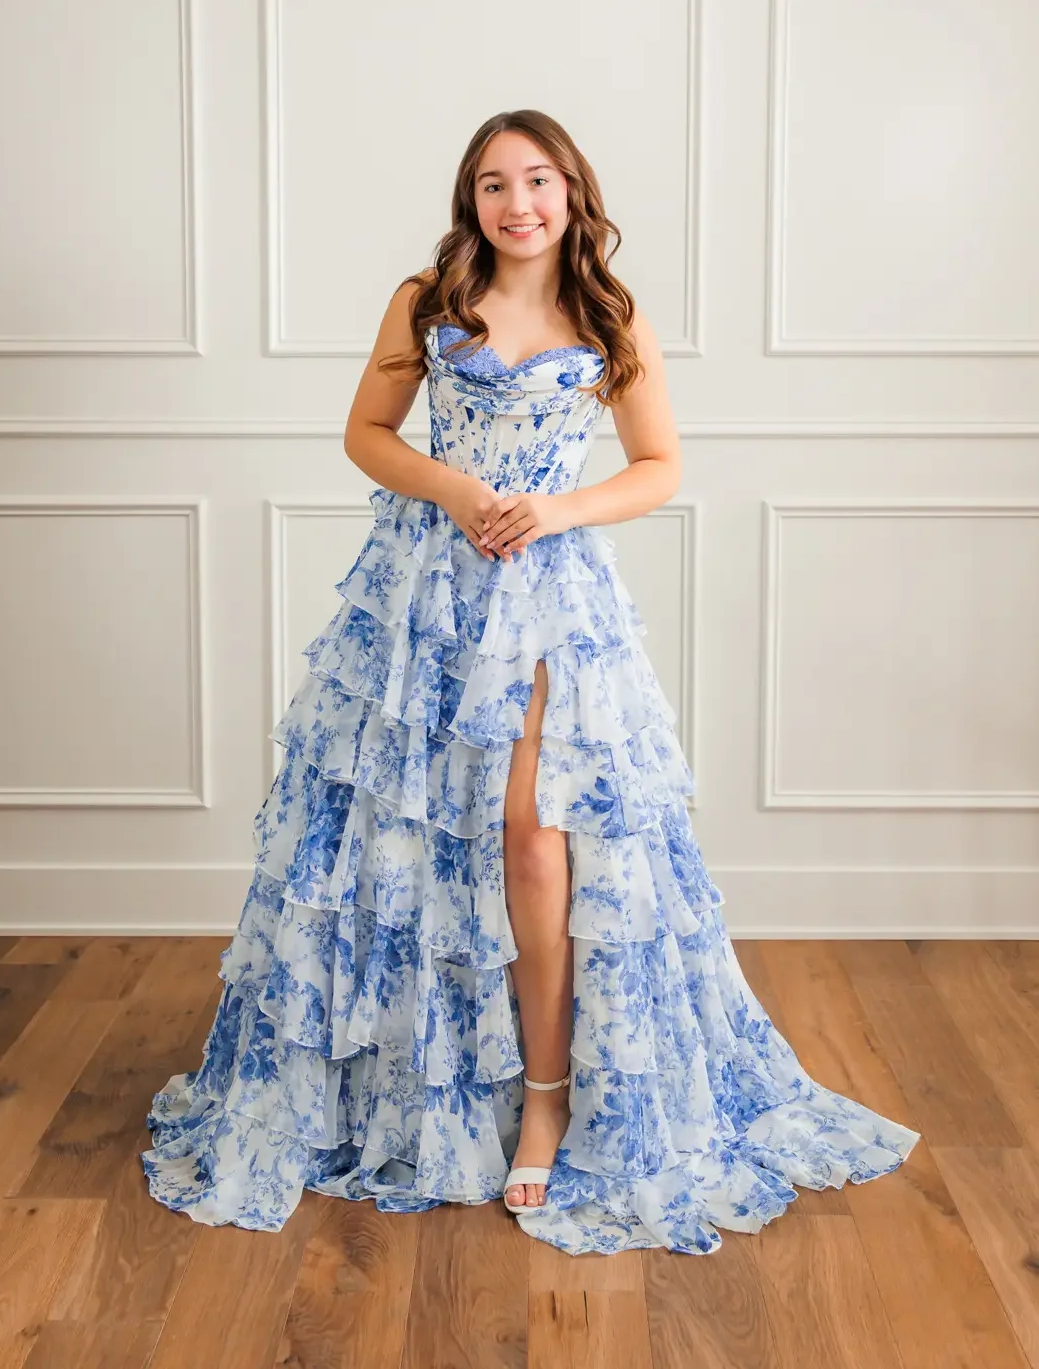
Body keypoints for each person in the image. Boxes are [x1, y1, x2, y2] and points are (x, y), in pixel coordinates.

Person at [141, 108, 921, 1254]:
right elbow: (365, 432)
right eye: (495, 183)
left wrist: (552, 507)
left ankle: (546, 1100)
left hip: (549, 596)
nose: (518, 203)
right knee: (401, 842)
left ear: (570, 191)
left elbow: (658, 466)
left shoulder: (606, 311)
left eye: (538, 180)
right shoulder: (428, 299)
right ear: (473, 200)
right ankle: (416, 1084)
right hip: (421, 592)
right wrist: (454, 491)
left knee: (531, 837)